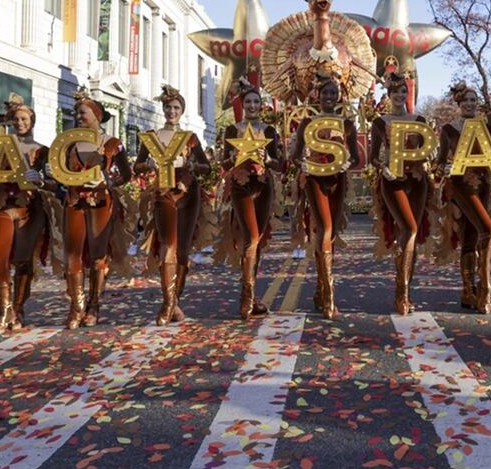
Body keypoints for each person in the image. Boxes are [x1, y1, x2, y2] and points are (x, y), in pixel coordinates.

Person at [0, 95, 50, 335]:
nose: (20, 122)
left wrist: (42, 181)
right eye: (16, 119)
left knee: (23, 261)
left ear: (32, 121)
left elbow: (56, 184)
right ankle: (3, 311)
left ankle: (18, 308)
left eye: (24, 118)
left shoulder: (43, 151)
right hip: (3, 208)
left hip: (30, 210)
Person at [135, 85, 209, 326]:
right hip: (163, 191)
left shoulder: (190, 138)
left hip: (187, 191)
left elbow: (206, 166)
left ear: (182, 110)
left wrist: (191, 166)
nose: (172, 111)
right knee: (168, 246)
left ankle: (176, 300)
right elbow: (137, 165)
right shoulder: (152, 136)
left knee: (184, 250)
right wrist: (150, 168)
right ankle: (168, 304)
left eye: (176, 107)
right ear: (163, 109)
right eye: (168, 107)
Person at [291, 74, 359, 320]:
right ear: (317, 95)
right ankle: (330, 297)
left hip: (338, 180)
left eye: (334, 93)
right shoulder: (307, 122)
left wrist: (346, 163)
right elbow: (295, 155)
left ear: (339, 95)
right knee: (326, 228)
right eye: (325, 93)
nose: (329, 97)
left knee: (330, 233)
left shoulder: (348, 124)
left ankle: (320, 290)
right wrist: (304, 165)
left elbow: (358, 159)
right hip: (314, 179)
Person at [61, 92, 131, 329]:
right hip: (74, 202)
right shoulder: (67, 142)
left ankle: (94, 305)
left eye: (83, 112)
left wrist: (107, 182)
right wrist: (50, 175)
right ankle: (76, 306)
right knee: (72, 256)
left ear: (97, 116)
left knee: (98, 256)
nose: (78, 116)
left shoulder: (112, 143)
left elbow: (126, 175)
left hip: (101, 203)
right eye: (77, 112)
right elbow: (55, 170)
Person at [217, 78, 283, 320]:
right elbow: (223, 162)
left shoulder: (269, 131)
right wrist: (233, 156)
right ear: (242, 104)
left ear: (261, 105)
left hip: (263, 187)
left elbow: (279, 163)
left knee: (258, 241)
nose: (253, 105)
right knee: (251, 238)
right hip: (240, 186)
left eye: (256, 101)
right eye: (248, 102)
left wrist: (267, 160)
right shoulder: (232, 130)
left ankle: (253, 296)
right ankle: (246, 298)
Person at [370, 72, 433, 315]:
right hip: (392, 180)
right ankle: (402, 292)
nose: (400, 95)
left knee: (411, 236)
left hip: (417, 181)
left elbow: (427, 151)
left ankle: (404, 289)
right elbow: (374, 155)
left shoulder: (419, 120)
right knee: (409, 229)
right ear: (389, 95)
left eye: (403, 91)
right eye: (395, 91)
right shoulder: (379, 122)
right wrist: (382, 168)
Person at [437, 82, 491, 314]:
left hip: (483, 184)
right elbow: (440, 162)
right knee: (487, 229)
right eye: (466, 101)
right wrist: (445, 168)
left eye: (474, 100)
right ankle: (484, 288)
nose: (471, 104)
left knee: (471, 237)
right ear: (459, 104)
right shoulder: (449, 130)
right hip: (461, 185)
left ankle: (467, 291)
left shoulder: (486, 127)